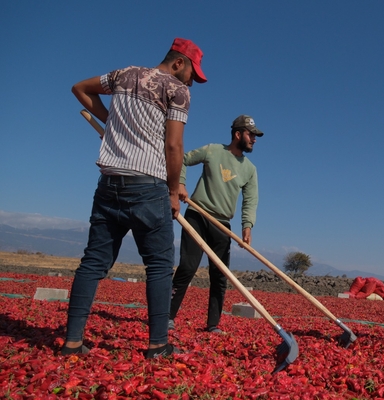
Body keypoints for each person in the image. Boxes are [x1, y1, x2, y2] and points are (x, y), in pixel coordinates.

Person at [62, 38, 207, 358]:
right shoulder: (176, 90)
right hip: (148, 187)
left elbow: (79, 89)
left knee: (93, 263)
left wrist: (110, 120)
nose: (192, 82)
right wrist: (172, 190)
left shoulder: (123, 75)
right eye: (192, 74)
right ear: (179, 63)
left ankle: (72, 342)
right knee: (158, 266)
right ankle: (158, 345)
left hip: (109, 183)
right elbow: (174, 147)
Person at [169, 115, 263, 332]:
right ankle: (167, 316)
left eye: (255, 136)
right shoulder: (213, 150)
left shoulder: (250, 169)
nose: (254, 140)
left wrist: (247, 226)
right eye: (251, 135)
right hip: (198, 215)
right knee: (188, 267)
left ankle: (213, 324)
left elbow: (251, 200)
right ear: (238, 134)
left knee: (220, 275)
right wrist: (180, 183)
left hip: (221, 224)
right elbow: (182, 159)